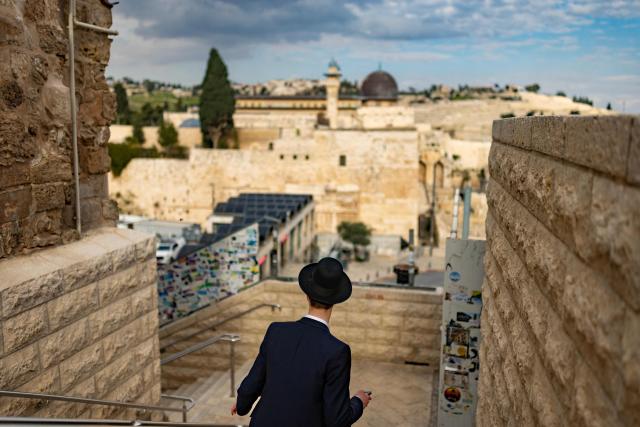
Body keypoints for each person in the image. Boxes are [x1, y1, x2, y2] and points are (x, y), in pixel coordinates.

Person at [231, 257, 372, 426]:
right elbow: (337, 419)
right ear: (335, 300)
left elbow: (252, 384)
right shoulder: (337, 351)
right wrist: (358, 402)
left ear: (307, 295)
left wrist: (241, 405)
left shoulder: (276, 331)